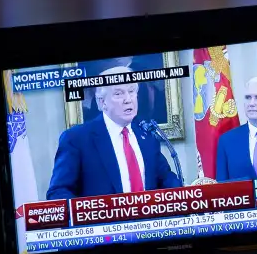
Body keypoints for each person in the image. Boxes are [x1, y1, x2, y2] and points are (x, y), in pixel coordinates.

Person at [46, 66, 181, 199]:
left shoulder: (147, 137)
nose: (128, 99)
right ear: (102, 102)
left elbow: (167, 181)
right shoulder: (77, 139)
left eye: (132, 91)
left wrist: (190, 194)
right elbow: (58, 193)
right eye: (118, 93)